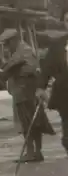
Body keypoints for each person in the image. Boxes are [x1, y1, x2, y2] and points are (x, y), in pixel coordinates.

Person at [0, 28, 55, 163]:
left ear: (14, 40)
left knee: (28, 123)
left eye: (7, 44)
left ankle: (32, 152)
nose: (6, 47)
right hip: (26, 91)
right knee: (33, 123)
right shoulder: (22, 51)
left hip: (25, 92)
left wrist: (4, 69)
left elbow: (5, 71)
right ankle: (36, 152)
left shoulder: (22, 51)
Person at [36, 9, 68, 156]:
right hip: (65, 96)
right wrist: (41, 88)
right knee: (67, 139)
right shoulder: (58, 45)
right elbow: (47, 67)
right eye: (67, 21)